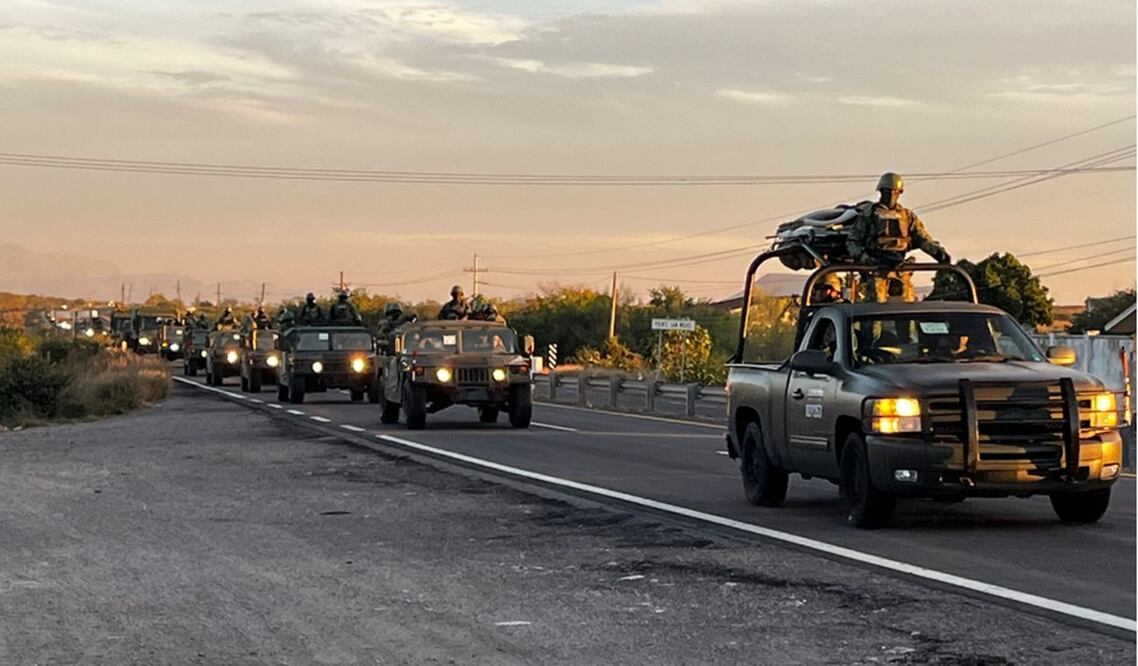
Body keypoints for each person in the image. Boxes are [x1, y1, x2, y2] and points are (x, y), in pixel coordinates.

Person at [846, 172, 951, 302]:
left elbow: (922, 238)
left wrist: (939, 253)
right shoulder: (868, 215)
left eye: (895, 191)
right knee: (874, 313)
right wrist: (865, 259)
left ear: (899, 192)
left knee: (905, 312)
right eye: (887, 191)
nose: (891, 195)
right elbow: (852, 241)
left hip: (902, 271)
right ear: (881, 192)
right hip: (877, 271)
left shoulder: (907, 216)